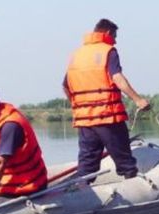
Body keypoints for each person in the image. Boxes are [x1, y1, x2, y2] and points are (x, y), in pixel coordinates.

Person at [63, 18, 150, 179]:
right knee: (125, 161)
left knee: (87, 165)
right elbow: (117, 77)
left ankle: (83, 193)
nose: (115, 42)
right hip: (108, 117)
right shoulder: (108, 51)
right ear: (108, 33)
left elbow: (65, 85)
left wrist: (79, 106)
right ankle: (133, 187)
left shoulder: (77, 55)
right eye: (115, 36)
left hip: (85, 120)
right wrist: (138, 99)